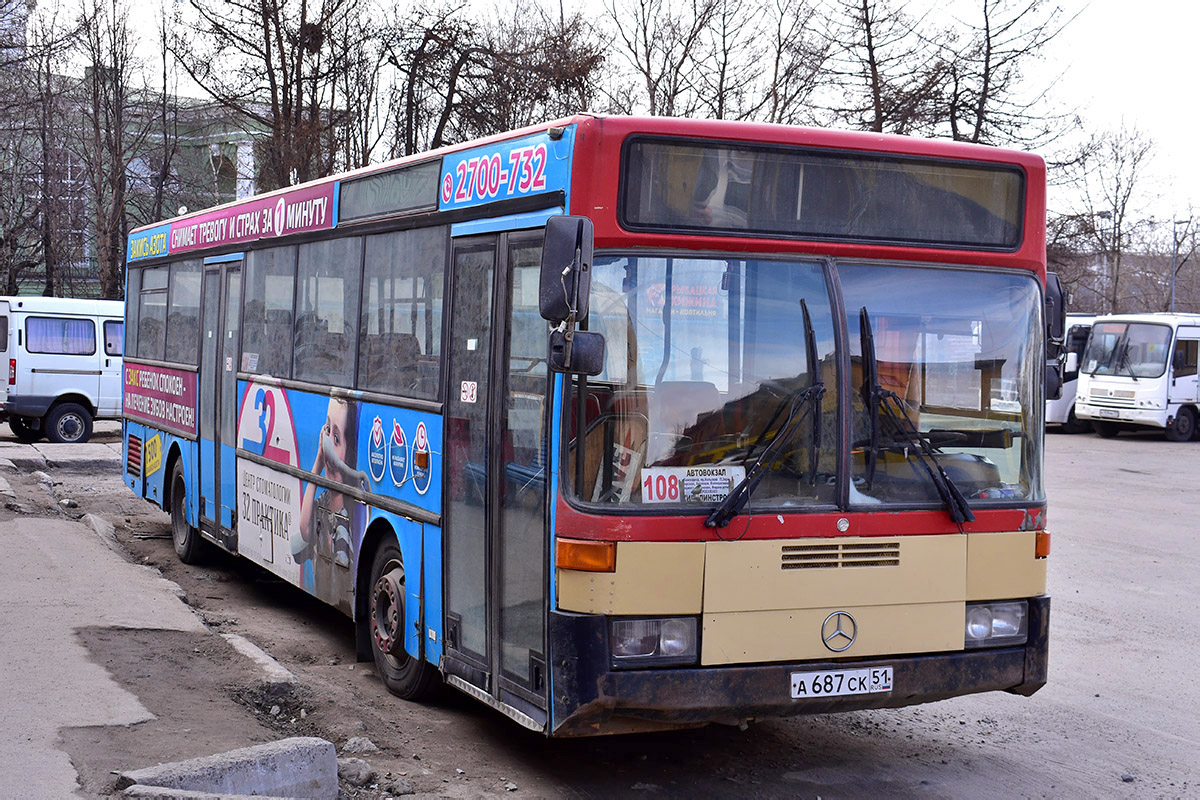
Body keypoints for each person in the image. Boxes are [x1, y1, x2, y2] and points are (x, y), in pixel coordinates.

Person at [296, 397, 364, 602]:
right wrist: (317, 461)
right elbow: (304, 529)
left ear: (350, 453)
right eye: (327, 430)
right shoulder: (323, 502)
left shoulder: (352, 516)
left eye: (336, 439)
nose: (328, 447)